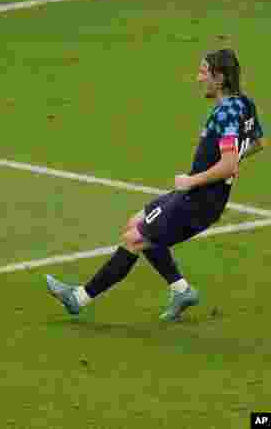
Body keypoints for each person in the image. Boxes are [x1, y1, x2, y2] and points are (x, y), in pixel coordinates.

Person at [46, 49, 264, 321]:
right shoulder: (245, 104)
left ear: (219, 78)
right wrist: (224, 165)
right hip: (194, 195)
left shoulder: (225, 113)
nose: (198, 78)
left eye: (203, 72)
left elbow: (230, 164)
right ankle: (181, 290)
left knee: (134, 239)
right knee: (135, 223)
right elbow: (256, 143)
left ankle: (78, 298)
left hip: (198, 201)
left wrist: (193, 179)